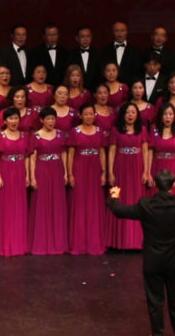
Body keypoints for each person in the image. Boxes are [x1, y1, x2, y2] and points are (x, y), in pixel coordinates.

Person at [106, 171, 175, 336]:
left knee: (155, 302)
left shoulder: (145, 204)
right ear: (173, 186)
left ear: (156, 186)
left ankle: (157, 333)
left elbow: (120, 211)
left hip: (153, 261)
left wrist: (114, 197)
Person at [107, 102, 149, 250]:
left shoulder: (142, 130)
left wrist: (146, 171)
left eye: (133, 112)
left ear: (137, 114)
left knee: (136, 200)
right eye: (127, 112)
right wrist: (110, 171)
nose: (130, 115)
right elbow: (112, 151)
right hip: (121, 167)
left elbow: (145, 151)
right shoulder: (116, 131)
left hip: (137, 168)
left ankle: (137, 241)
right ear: (123, 115)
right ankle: (120, 242)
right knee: (121, 200)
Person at [67, 104, 108, 255]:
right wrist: (70, 174)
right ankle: (79, 242)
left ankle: (94, 241)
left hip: (95, 170)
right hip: (79, 169)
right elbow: (70, 154)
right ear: (80, 116)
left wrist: (104, 172)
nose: (89, 117)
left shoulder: (100, 132)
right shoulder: (74, 132)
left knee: (94, 204)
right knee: (80, 203)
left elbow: (102, 153)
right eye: (86, 114)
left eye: (91, 114)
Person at [27, 107, 69, 255]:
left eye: (53, 118)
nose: (51, 122)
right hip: (42, 171)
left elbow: (63, 154)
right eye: (48, 119)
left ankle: (57, 243)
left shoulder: (60, 134)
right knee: (42, 205)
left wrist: (66, 173)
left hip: (57, 171)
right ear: (41, 120)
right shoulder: (36, 136)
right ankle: (41, 243)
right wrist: (32, 176)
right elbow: (32, 158)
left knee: (57, 205)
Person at [0, 108, 31, 256]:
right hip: (6, 171)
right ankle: (5, 243)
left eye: (16, 118)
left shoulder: (24, 136)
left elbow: (26, 156)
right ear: (5, 121)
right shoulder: (0, 136)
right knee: (6, 209)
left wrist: (27, 175)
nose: (14, 121)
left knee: (19, 208)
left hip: (19, 172)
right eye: (11, 119)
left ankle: (18, 243)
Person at [148, 103, 175, 196]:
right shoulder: (154, 131)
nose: (168, 117)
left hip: (174, 168)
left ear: (174, 116)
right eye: (165, 114)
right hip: (157, 167)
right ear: (161, 116)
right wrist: (148, 173)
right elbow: (150, 152)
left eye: (170, 114)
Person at [67, 26, 103, 90]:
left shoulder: (98, 54)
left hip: (95, 91)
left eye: (88, 36)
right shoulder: (70, 55)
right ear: (77, 38)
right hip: (76, 91)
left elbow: (101, 74)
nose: (85, 39)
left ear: (91, 37)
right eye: (82, 36)